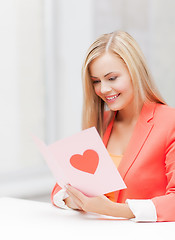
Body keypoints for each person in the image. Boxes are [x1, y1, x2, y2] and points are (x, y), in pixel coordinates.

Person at [51, 31, 175, 222]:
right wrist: (78, 201)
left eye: (112, 78)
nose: (104, 89)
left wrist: (114, 210)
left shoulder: (169, 122)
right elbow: (61, 188)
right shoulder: (101, 121)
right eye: (96, 81)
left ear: (135, 72)